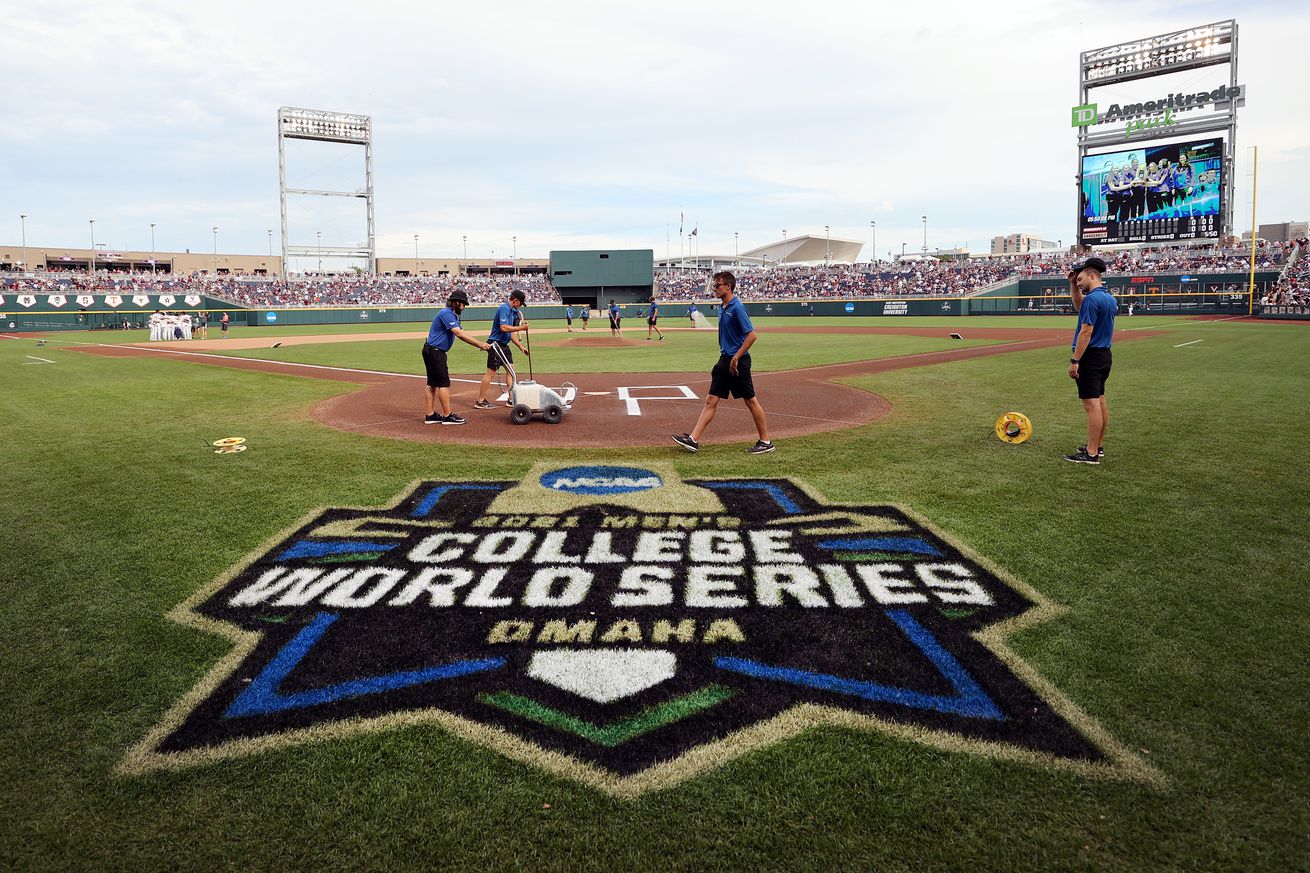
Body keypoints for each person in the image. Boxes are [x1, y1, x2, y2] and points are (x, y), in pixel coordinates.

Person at [672, 271, 774, 455]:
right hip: (724, 360)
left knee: (750, 401)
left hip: (738, 361)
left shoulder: (737, 307)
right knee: (711, 399)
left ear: (728, 286)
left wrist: (736, 357)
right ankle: (693, 440)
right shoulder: (722, 307)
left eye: (717, 285)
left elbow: (752, 335)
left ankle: (766, 441)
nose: (714, 289)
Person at [1064, 256, 1116, 465]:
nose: (1078, 281)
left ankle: (1091, 453)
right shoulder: (1108, 298)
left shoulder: (1093, 299)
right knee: (1100, 401)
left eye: (1080, 278)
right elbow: (1079, 306)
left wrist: (1075, 360)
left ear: (1092, 275)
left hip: (1090, 356)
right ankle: (1098, 446)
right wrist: (1072, 285)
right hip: (1104, 355)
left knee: (1091, 405)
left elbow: (1086, 331)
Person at [423, 289, 490, 425]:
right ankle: (448, 416)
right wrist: (480, 344)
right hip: (436, 352)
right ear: (456, 303)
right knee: (443, 384)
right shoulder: (446, 313)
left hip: (431, 351)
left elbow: (461, 333)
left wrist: (479, 344)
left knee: (432, 384)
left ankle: (430, 415)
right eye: (463, 304)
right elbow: (459, 334)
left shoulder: (451, 315)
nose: (464, 307)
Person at [474, 289, 530, 409]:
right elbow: (504, 328)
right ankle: (480, 401)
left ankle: (511, 399)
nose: (520, 306)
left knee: (511, 371)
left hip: (504, 345)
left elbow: (510, 334)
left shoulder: (512, 311)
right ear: (515, 300)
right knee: (491, 372)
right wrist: (521, 328)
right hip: (495, 344)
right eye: (520, 303)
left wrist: (521, 346)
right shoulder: (503, 308)